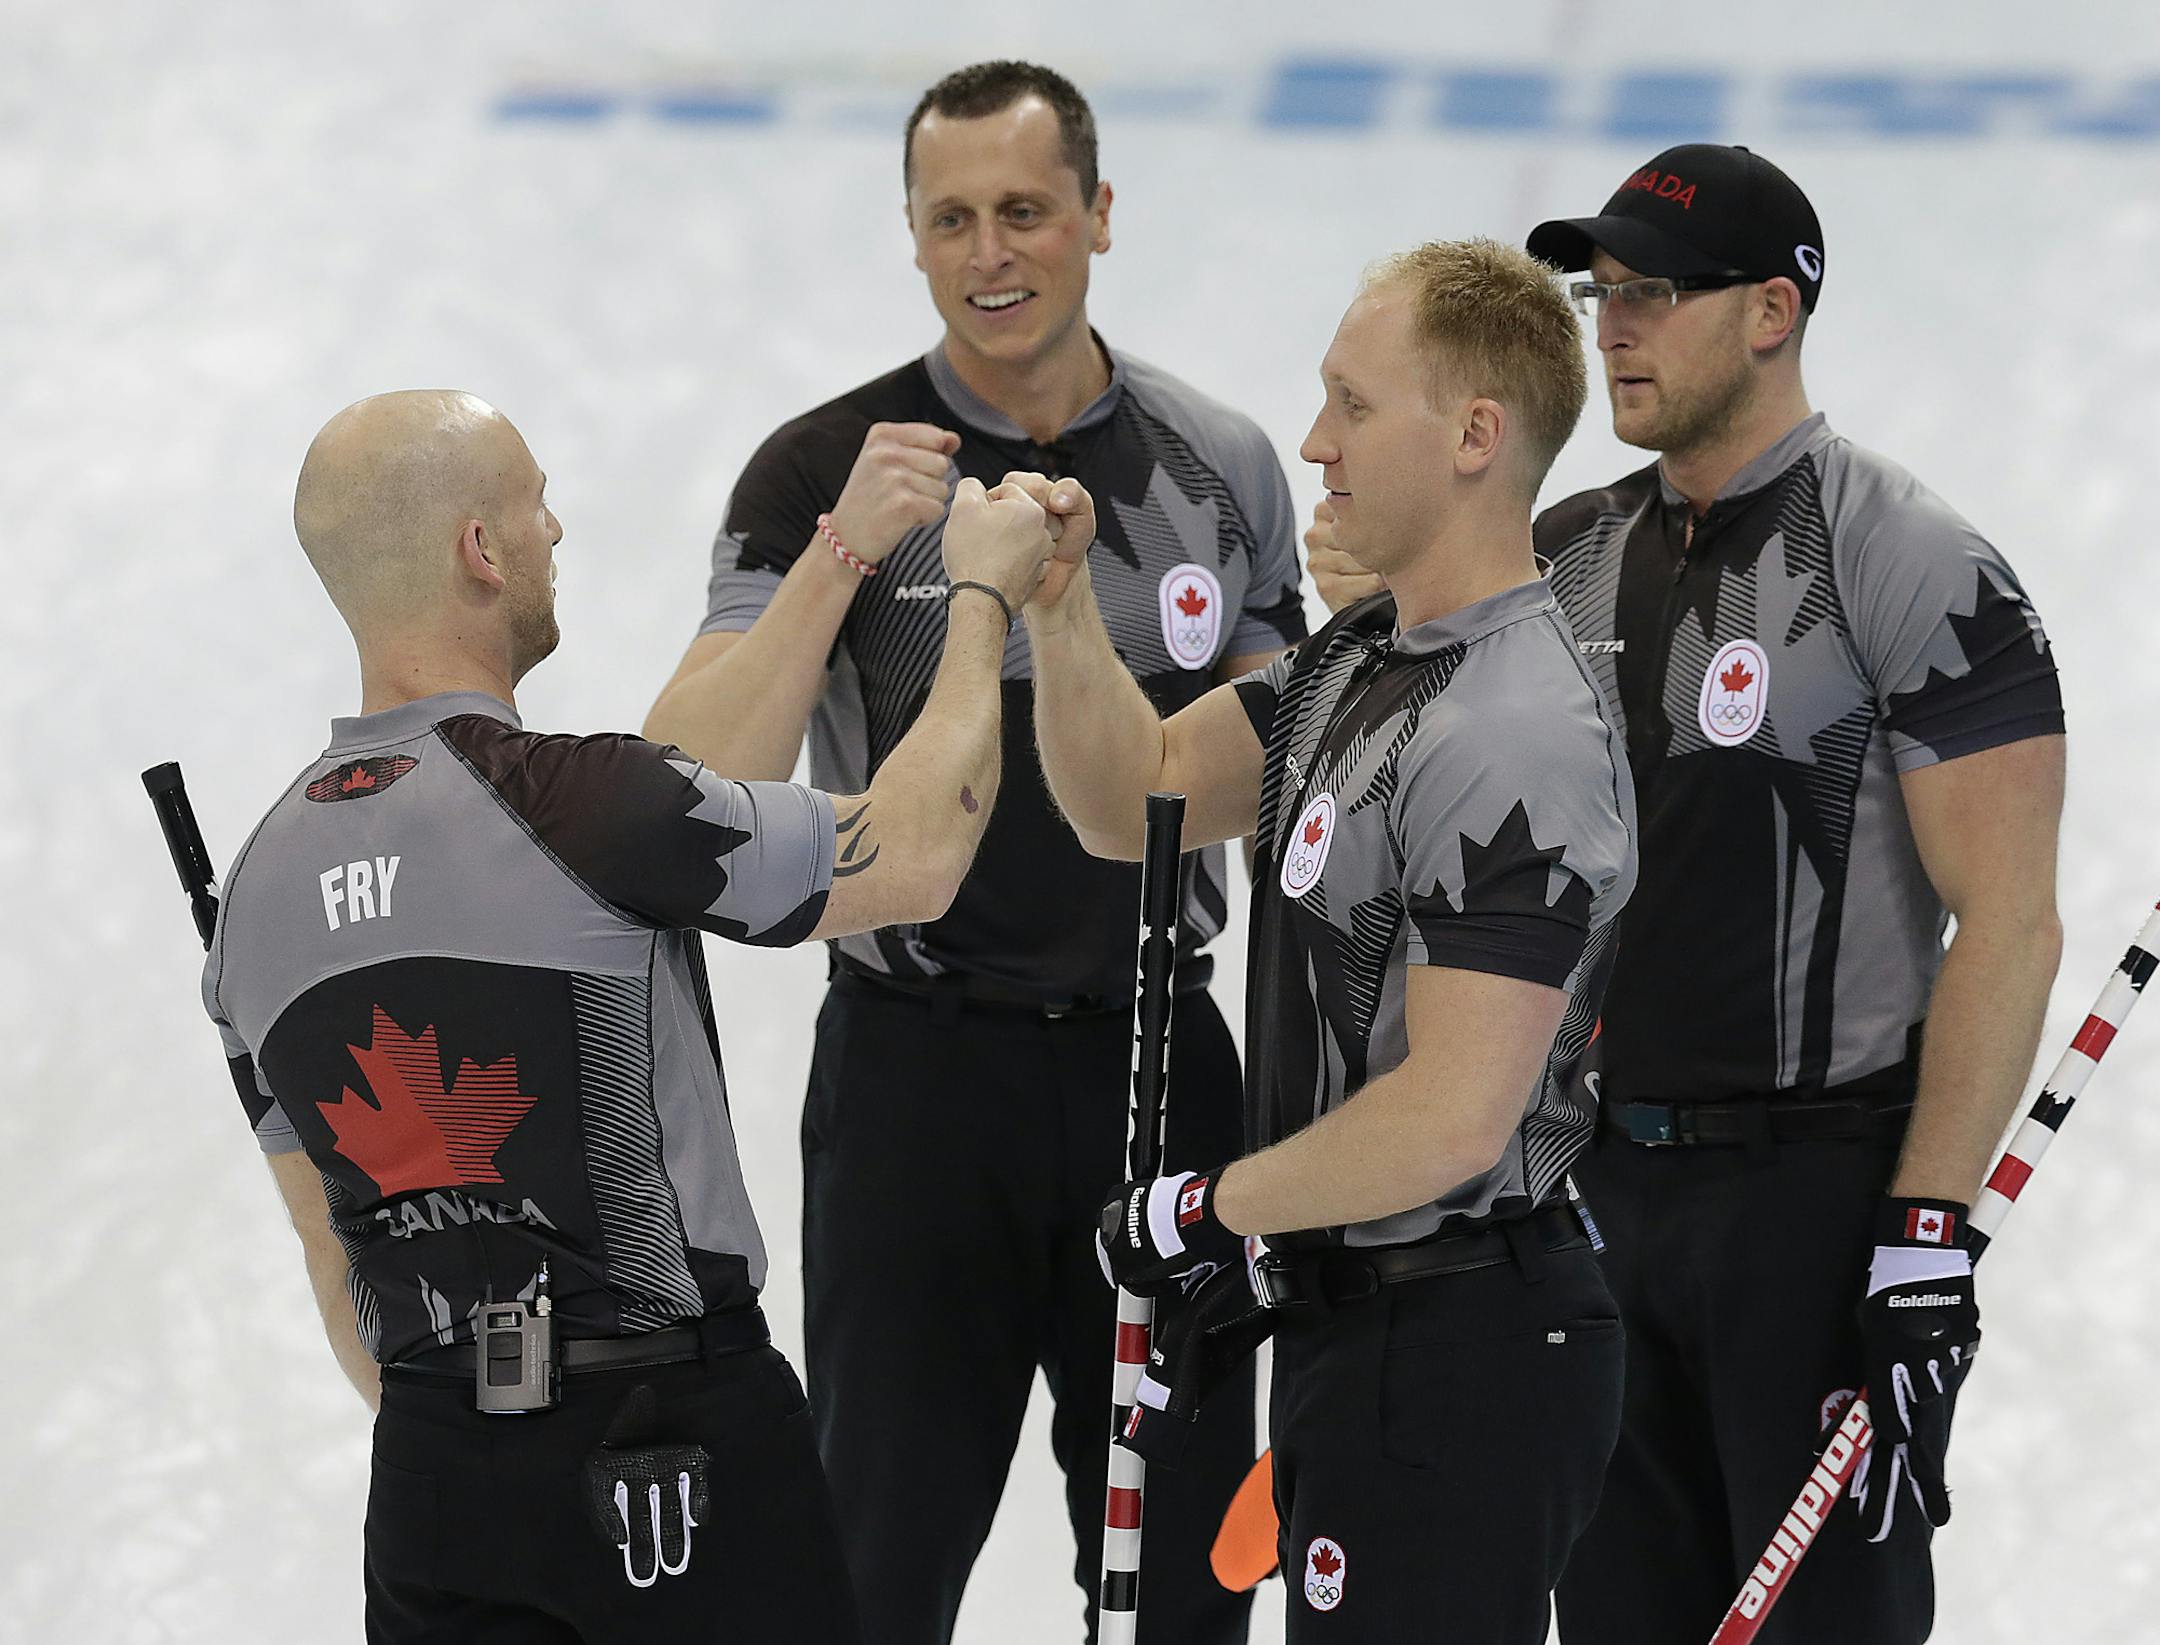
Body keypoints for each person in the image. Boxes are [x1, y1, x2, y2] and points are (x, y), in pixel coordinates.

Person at [1309, 146, 2067, 1642]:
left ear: (1774, 311)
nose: (1614, 328)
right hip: (1594, 1209)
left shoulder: (1909, 560)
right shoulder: (1570, 551)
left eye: (1655, 294)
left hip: (1811, 1202)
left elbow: (2014, 921)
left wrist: (1924, 1232)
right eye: (1604, 294)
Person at [201, 389, 1059, 1644]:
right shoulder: (589, 806)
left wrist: (482, 1444)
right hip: (673, 1456)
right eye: (535, 504)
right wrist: (980, 596)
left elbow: (337, 1270)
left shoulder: (252, 904)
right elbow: (920, 851)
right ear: (479, 551)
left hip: (435, 1485)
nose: (558, 531)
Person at [644, 60, 1302, 1644]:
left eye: (1025, 211)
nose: (992, 253)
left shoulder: (1217, 465)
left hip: (1158, 1068)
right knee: (870, 1566)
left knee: (1187, 1580)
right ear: (915, 239)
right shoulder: (823, 471)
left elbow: (1277, 774)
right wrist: (850, 548)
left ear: (1097, 215)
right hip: (914, 1093)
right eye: (953, 219)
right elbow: (692, 782)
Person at [1027, 238, 1638, 1644]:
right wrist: (1061, 604)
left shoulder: (1514, 730)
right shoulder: (1353, 666)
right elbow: (1138, 802)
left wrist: (1207, 1208)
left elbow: (1451, 1116)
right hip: (1352, 1324)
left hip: (1463, 1336)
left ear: (1477, 434)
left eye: (1355, 405)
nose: (1315, 443)